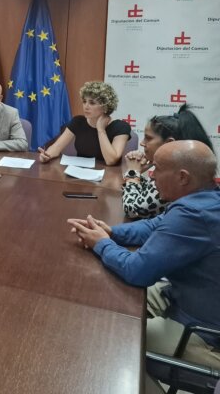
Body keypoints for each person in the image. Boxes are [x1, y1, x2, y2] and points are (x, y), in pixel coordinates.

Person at [67, 140, 220, 373]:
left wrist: (102, 244)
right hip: (182, 296)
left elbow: (137, 270)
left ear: (182, 177)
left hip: (202, 333)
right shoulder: (204, 199)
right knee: (104, 303)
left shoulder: (196, 214)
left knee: (108, 344)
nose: (151, 174)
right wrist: (111, 231)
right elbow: (153, 226)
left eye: (157, 168)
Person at [122, 104, 213, 218]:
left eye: (148, 138)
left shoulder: (175, 175)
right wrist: (137, 173)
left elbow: (133, 209)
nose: (142, 143)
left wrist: (132, 173)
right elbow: (145, 195)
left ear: (169, 143)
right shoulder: (175, 166)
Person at [38, 80, 129, 165]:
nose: (86, 106)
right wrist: (46, 156)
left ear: (105, 107)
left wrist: (101, 130)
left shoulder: (121, 127)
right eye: (84, 102)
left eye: (92, 103)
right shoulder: (78, 122)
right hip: (80, 175)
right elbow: (56, 148)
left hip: (109, 177)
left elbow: (111, 160)